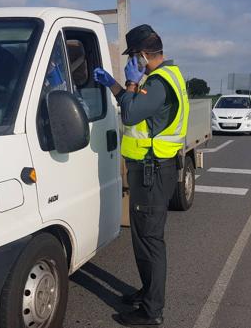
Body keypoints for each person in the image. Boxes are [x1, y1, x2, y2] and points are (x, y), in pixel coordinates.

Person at [93, 24, 190, 326]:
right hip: (151, 169)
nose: (131, 62)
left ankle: (152, 311)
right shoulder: (160, 78)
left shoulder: (159, 82)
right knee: (143, 237)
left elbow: (132, 113)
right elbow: (134, 106)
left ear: (144, 55)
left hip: (152, 170)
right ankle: (147, 292)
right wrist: (113, 85)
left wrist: (130, 86)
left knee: (149, 239)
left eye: (133, 56)